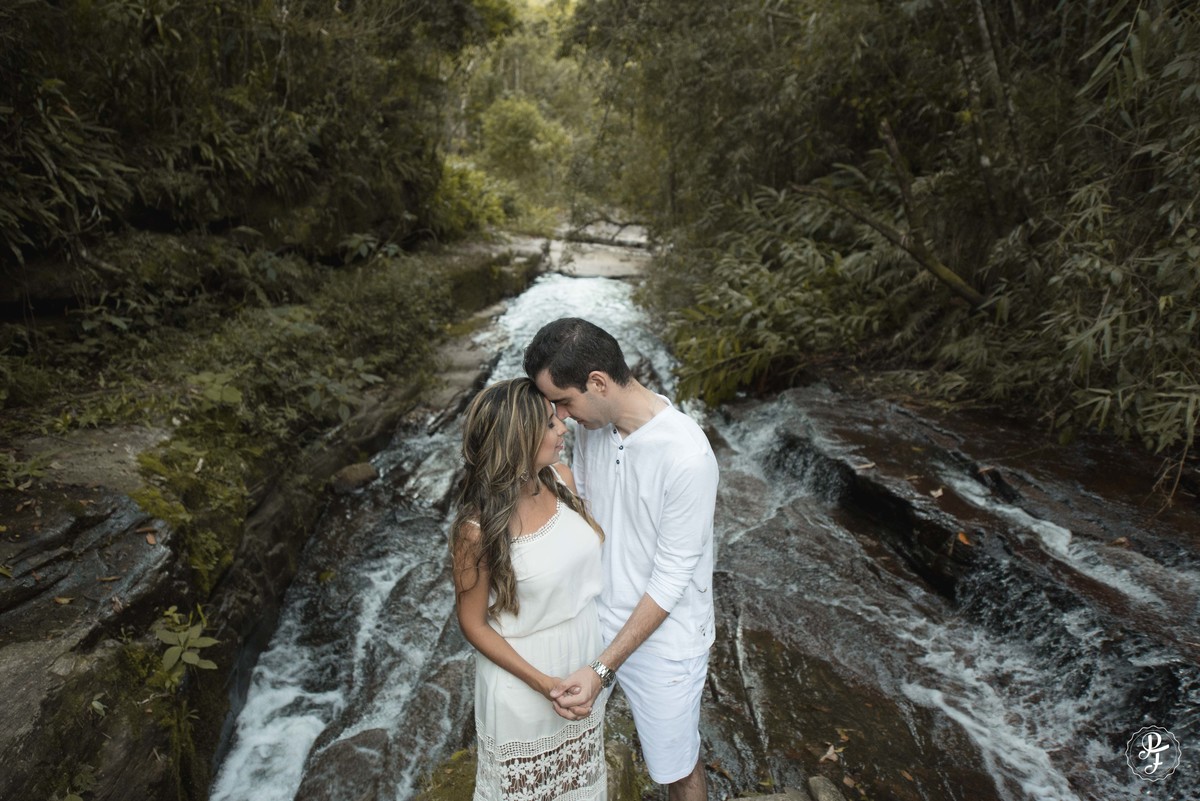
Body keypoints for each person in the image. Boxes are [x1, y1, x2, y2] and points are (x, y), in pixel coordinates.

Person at [523, 318, 719, 801]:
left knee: (676, 767)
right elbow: (583, 513)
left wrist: (603, 667)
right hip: (593, 615)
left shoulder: (687, 457)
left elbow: (672, 577)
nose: (562, 417)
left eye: (563, 402)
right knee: (558, 738)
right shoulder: (595, 428)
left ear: (597, 382)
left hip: (666, 640)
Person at [449, 377, 609, 801]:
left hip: (583, 659)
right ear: (517, 439)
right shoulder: (476, 530)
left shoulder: (559, 478)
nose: (563, 428)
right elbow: (473, 624)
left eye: (558, 418)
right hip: (523, 679)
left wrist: (595, 668)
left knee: (579, 788)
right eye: (550, 423)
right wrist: (543, 683)